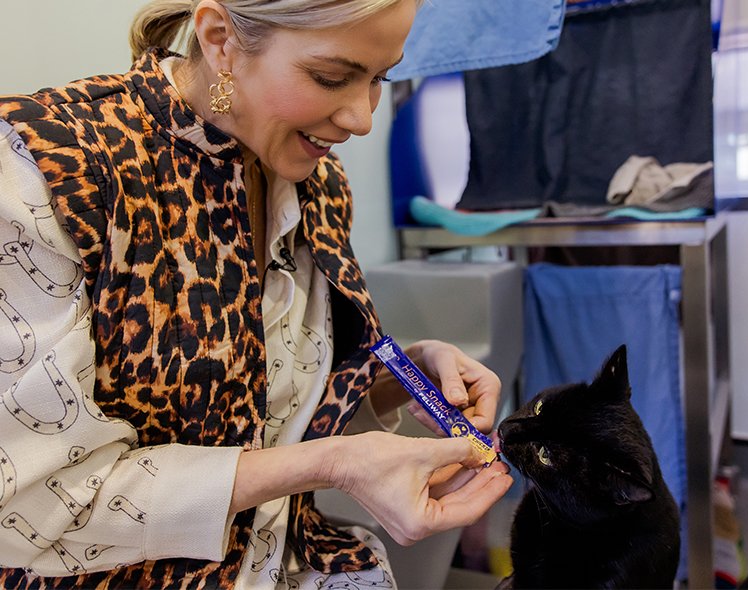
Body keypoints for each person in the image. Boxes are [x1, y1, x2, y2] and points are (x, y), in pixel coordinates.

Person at [0, 0, 513, 587]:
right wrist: (334, 466)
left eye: (381, 77)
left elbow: (271, 416)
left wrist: (400, 379)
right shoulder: (45, 169)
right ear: (220, 40)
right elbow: (27, 501)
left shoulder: (316, 183)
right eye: (332, 77)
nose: (362, 118)